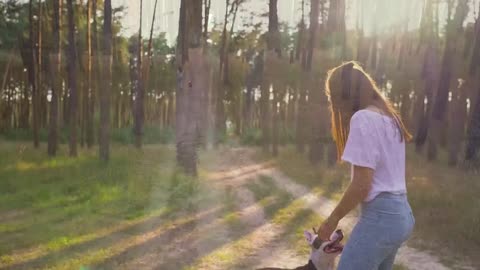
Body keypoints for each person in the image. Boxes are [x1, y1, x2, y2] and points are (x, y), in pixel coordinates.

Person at [317, 61, 415, 270]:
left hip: (382, 218)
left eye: (332, 97)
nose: (334, 104)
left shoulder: (363, 118)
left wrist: (332, 220)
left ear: (343, 95)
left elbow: (362, 185)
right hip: (402, 214)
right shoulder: (390, 117)